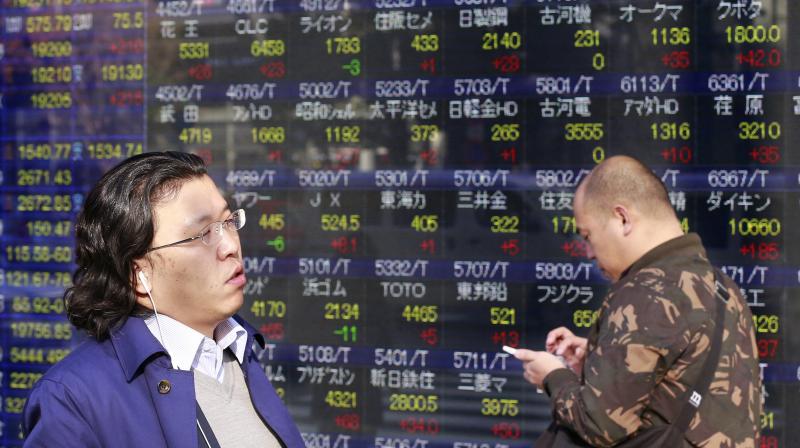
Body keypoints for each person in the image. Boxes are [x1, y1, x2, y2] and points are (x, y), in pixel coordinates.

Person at [23, 152, 304, 447]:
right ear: (139, 275)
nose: (230, 245)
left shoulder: (239, 347)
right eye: (203, 233)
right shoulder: (70, 400)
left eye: (229, 221)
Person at [514, 156, 761, 447]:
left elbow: (599, 424)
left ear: (622, 218)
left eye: (588, 235)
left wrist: (553, 376)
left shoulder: (645, 291)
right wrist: (599, 361)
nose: (589, 252)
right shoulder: (722, 286)